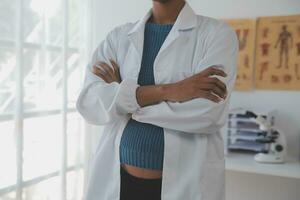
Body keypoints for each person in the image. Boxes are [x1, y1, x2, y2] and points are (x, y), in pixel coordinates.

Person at [76, 0, 239, 199]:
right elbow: (90, 103)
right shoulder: (118, 37)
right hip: (119, 181)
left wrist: (126, 101)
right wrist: (169, 91)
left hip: (185, 185)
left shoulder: (217, 34)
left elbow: (208, 114)